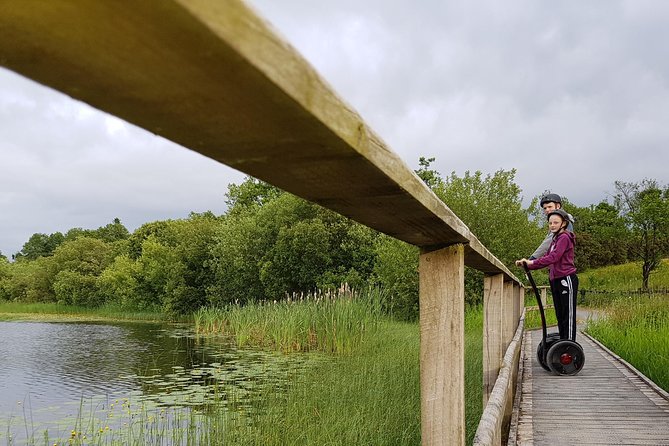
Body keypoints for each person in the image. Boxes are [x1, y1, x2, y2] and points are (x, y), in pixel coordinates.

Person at [516, 209, 578, 341]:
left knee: (568, 314)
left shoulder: (564, 237)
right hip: (555, 279)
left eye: (556, 222)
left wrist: (531, 262)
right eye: (550, 223)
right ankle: (563, 341)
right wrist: (528, 264)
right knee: (560, 314)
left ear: (564, 223)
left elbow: (554, 257)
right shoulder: (555, 239)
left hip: (566, 278)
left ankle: (570, 345)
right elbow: (547, 257)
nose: (552, 225)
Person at [530, 193, 574, 260]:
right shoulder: (556, 222)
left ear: (558, 206)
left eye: (550, 207)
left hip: (563, 267)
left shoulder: (565, 222)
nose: (547, 210)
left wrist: (533, 258)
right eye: (545, 208)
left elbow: (548, 242)